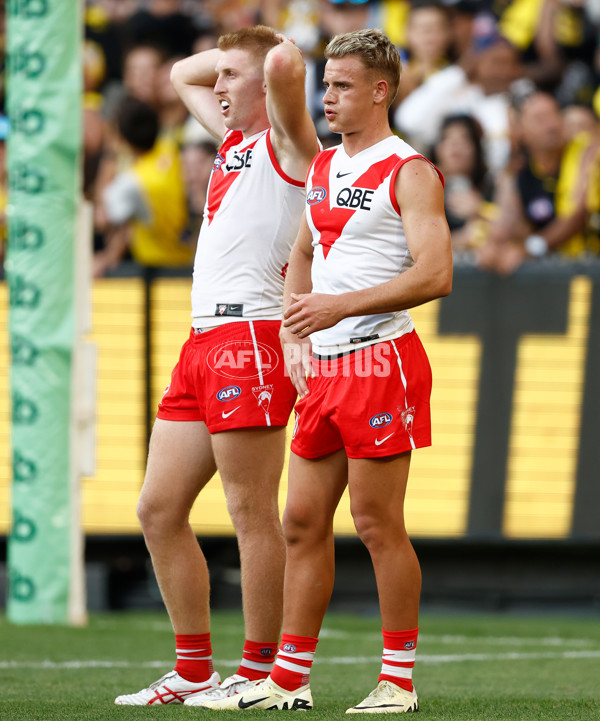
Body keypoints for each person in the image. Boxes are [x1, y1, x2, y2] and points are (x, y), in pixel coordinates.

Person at [199, 27, 452, 713]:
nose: (327, 97)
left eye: (341, 85)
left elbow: (436, 273)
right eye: (325, 83)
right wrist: (292, 334)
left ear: (380, 90)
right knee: (302, 523)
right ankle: (289, 678)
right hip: (326, 369)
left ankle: (397, 679)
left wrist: (341, 306)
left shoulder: (411, 170)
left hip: (380, 359)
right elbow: (303, 253)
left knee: (376, 523)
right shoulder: (321, 168)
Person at [114, 25, 319, 705]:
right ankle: (194, 669)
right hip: (202, 339)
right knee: (158, 508)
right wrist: (240, 53)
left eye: (234, 76)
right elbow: (179, 73)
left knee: (249, 511)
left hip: (252, 336)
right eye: (222, 74)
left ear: (268, 83)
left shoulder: (290, 146)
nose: (218, 85)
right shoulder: (233, 144)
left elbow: (282, 68)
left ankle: (259, 673)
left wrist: (275, 48)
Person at [477, 90, 600, 274]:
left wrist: (529, 249)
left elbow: (577, 216)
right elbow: (505, 228)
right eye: (539, 119)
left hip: (589, 266)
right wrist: (494, 247)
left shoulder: (585, 151)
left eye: (554, 114)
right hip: (558, 276)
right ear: (521, 131)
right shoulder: (520, 171)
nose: (551, 124)